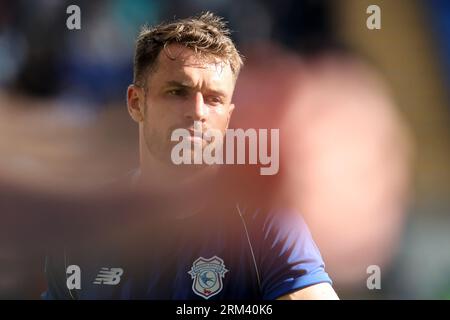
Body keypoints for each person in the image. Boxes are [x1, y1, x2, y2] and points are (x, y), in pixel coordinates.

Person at [43, 12, 338, 300]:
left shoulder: (265, 220)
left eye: (214, 99)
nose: (197, 112)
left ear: (229, 117)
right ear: (136, 103)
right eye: (176, 92)